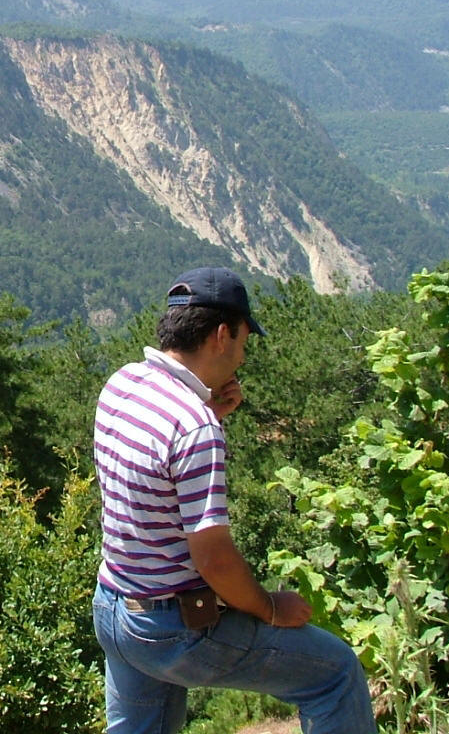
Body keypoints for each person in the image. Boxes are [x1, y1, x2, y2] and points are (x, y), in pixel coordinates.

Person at [91, 266, 375, 734]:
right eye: (244, 340)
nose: (243, 356)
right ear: (222, 335)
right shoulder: (194, 427)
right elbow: (215, 560)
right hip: (172, 629)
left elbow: (151, 479)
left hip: (114, 608)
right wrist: (270, 607)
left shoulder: (123, 383)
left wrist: (209, 415)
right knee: (335, 674)